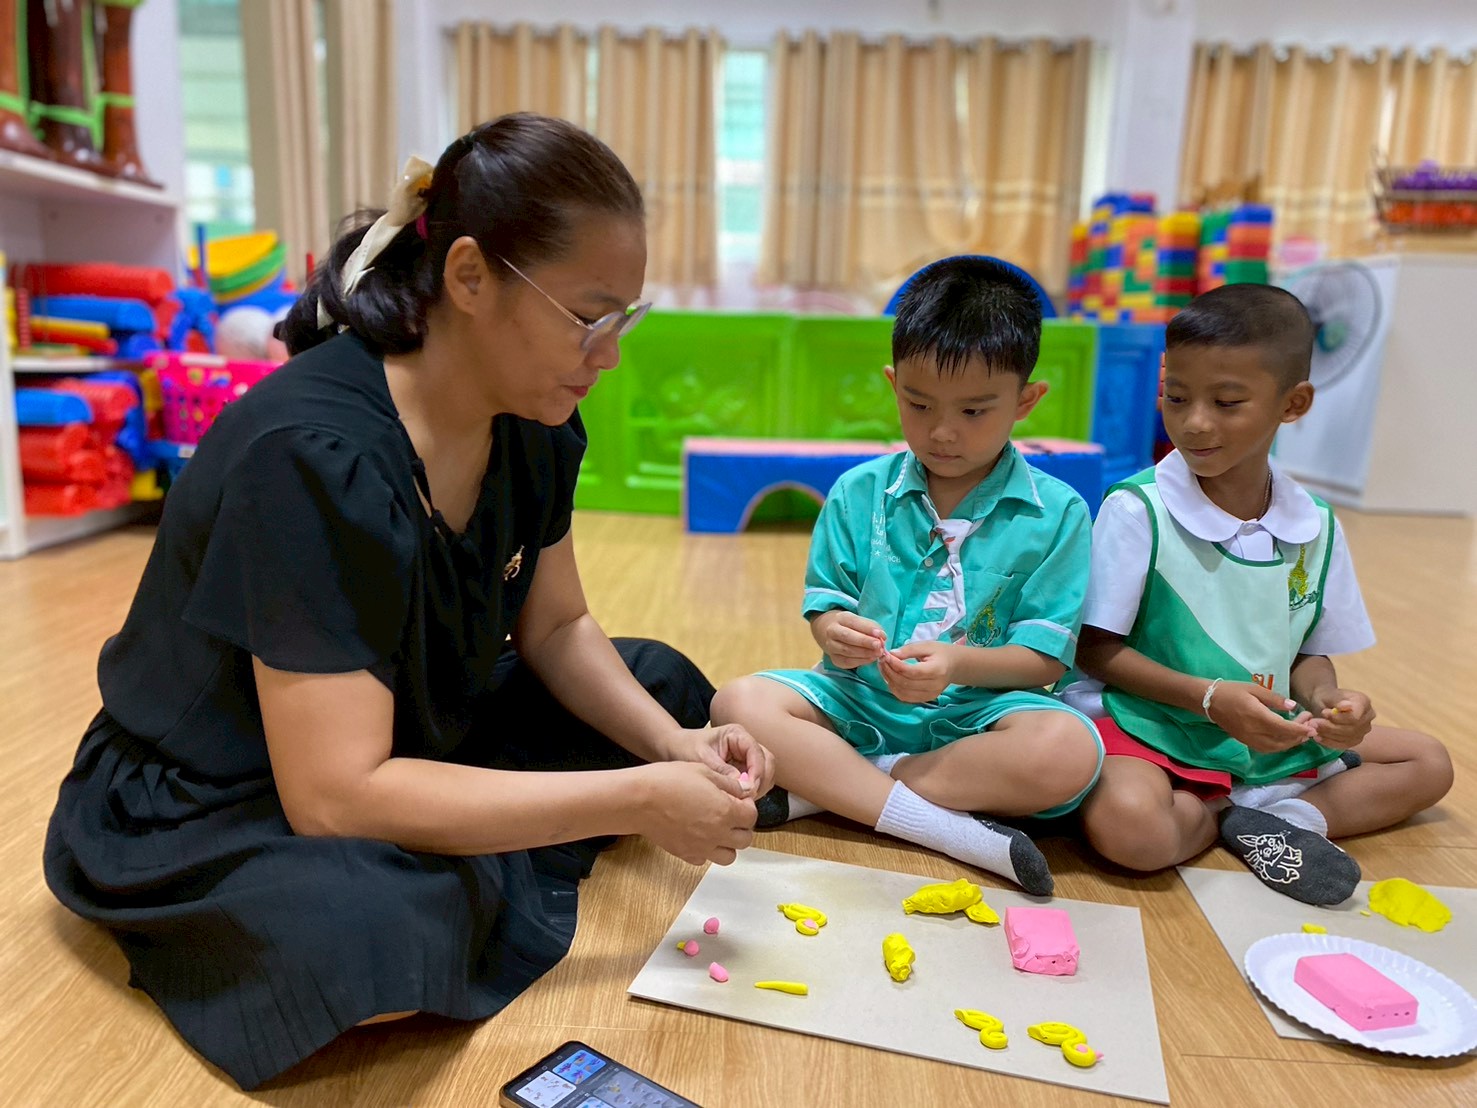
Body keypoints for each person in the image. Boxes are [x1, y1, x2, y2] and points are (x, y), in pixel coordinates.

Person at [43, 113, 773, 1090]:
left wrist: (672, 748)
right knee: (369, 935)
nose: (606, 354)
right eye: (587, 318)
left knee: (665, 688)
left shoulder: (532, 415)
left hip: (408, 722)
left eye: (621, 321)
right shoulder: (312, 457)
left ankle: (481, 830)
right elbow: (332, 794)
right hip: (226, 787)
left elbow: (557, 625)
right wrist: (636, 794)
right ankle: (466, 849)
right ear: (468, 276)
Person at [711, 258, 1104, 897]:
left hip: (981, 717)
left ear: (1026, 401)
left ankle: (835, 788)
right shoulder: (857, 492)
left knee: (1069, 751)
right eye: (919, 405)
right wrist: (834, 632)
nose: (942, 432)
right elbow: (827, 608)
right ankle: (947, 828)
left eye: (974, 411)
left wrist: (958, 664)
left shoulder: (1058, 513)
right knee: (737, 703)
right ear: (894, 385)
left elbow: (1043, 661)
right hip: (857, 700)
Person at [1071, 283, 1453, 905]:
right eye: (1176, 397)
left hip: (1269, 735)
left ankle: (1283, 821)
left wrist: (1331, 703)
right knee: (1132, 829)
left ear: (1293, 403)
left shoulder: (1317, 523)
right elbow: (1094, 650)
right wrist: (1210, 698)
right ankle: (1224, 813)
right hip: (1153, 725)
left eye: (1226, 402)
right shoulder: (1138, 509)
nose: (1194, 422)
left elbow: (1307, 655)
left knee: (1429, 763)